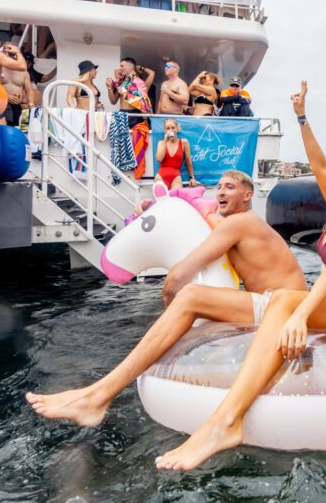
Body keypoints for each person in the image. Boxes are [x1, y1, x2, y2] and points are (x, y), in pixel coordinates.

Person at [152, 85, 326, 470]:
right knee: (283, 301)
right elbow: (318, 164)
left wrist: (301, 314)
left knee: (283, 300)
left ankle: (226, 420)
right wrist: (302, 117)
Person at [25, 170, 308, 427]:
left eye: (230, 187)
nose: (220, 191)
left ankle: (98, 396)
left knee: (190, 296)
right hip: (277, 303)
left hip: (283, 307)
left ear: (248, 195)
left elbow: (177, 276)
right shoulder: (238, 222)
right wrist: (150, 209)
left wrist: (171, 304)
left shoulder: (238, 224)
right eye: (218, 186)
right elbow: (198, 215)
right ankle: (96, 394)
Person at [106, 57, 155, 124]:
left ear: (130, 67)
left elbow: (142, 102)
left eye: (122, 66)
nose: (120, 68)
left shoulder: (139, 83)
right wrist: (109, 88)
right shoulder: (121, 82)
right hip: (121, 114)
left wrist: (125, 93)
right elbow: (113, 101)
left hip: (135, 115)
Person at [155, 118, 195, 189]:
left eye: (173, 128)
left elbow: (188, 161)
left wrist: (192, 177)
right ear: (165, 130)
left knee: (176, 199)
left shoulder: (183, 142)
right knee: (161, 199)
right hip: (161, 176)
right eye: (168, 128)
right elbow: (159, 159)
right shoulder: (161, 143)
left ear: (177, 129)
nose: (171, 130)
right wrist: (165, 141)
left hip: (176, 177)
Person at [2, 47, 35, 126]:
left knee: (23, 128)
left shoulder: (23, 72)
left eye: (15, 54)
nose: (13, 56)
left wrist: (31, 103)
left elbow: (29, 90)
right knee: (3, 129)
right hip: (1, 104)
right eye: (10, 54)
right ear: (3, 53)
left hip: (17, 105)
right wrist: (6, 96)